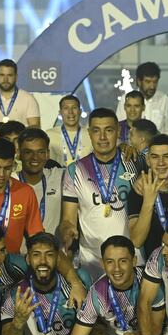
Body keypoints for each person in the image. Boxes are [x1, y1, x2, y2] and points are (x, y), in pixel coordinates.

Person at [65, 237, 164, 335]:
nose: (116, 268)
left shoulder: (150, 283)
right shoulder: (97, 294)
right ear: (102, 264)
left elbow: (156, 329)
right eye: (110, 262)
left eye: (123, 261)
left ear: (134, 261)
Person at [60, 108, 138, 279]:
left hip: (130, 262)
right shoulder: (75, 170)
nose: (102, 137)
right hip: (91, 264)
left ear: (118, 131)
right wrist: (68, 230)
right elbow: (68, 219)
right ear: (89, 133)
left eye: (109, 130)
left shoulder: (134, 163)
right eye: (96, 131)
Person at [1, 233, 91, 335]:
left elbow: (97, 325)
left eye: (49, 255)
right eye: (36, 255)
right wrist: (17, 323)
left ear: (58, 259)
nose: (43, 261)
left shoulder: (80, 284)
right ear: (28, 259)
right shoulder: (16, 296)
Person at [0, 58, 41, 156]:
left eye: (9, 75)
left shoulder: (29, 99)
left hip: (19, 156)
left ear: (16, 77)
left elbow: (34, 131)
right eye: (2, 75)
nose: (5, 79)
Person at [17, 128, 66, 237]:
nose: (35, 158)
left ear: (48, 154)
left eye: (41, 152)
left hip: (54, 252)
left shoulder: (61, 176)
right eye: (28, 152)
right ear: (19, 154)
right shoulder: (9, 181)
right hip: (18, 253)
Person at [115, 62, 168, 135]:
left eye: (155, 82)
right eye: (148, 82)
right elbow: (119, 126)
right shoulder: (126, 99)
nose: (152, 86)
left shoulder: (164, 99)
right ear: (139, 81)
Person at [45, 95, 92, 166]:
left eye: (74, 108)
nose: (70, 112)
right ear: (60, 112)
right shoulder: (49, 135)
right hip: (57, 176)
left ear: (80, 111)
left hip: (86, 175)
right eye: (66, 108)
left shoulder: (91, 134)